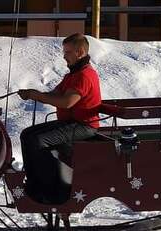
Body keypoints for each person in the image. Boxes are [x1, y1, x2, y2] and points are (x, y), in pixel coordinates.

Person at [17, 33, 102, 204]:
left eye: (68, 52)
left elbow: (66, 102)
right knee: (27, 134)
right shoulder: (72, 75)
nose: (64, 56)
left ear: (80, 52)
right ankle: (35, 183)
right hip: (71, 123)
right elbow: (56, 94)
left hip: (83, 126)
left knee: (37, 140)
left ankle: (54, 190)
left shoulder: (84, 76)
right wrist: (33, 94)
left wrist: (37, 96)